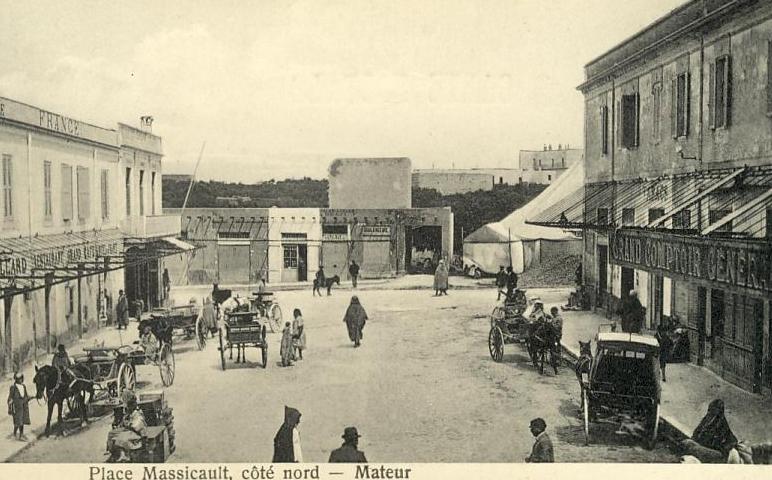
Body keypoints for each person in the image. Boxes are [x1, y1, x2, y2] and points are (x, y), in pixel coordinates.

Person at [107, 392, 147, 462]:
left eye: (128, 406)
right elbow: (124, 423)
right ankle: (113, 453)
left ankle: (125, 455)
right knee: (111, 434)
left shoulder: (138, 414)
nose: (127, 408)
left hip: (138, 434)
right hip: (130, 431)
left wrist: (127, 425)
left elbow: (136, 426)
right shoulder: (129, 414)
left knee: (122, 437)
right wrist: (122, 425)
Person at [7, 372, 32, 441]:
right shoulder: (13, 387)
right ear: (15, 379)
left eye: (21, 378)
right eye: (18, 379)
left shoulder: (23, 386)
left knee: (21, 421)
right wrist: (10, 403)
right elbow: (10, 397)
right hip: (17, 407)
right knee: (18, 421)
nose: (20, 380)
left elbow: (26, 396)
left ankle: (16, 434)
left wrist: (31, 397)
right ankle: (20, 435)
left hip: (24, 406)